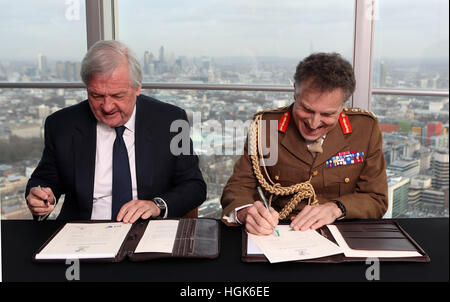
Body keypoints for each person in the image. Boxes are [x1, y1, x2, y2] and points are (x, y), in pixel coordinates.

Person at [25, 40, 206, 222]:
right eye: (96, 96)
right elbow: (45, 180)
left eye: (117, 96)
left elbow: (194, 185)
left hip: (149, 230)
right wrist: (40, 197)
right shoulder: (62, 124)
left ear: (137, 88)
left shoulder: (171, 121)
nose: (107, 107)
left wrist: (156, 205)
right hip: (82, 232)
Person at [221, 52, 388, 235]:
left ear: (343, 105)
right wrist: (246, 213)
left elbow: (376, 198)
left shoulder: (365, 129)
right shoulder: (266, 126)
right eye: (307, 109)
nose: (314, 123)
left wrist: (337, 208)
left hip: (340, 235)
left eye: (327, 114)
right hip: (275, 235)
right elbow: (238, 187)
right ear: (295, 92)